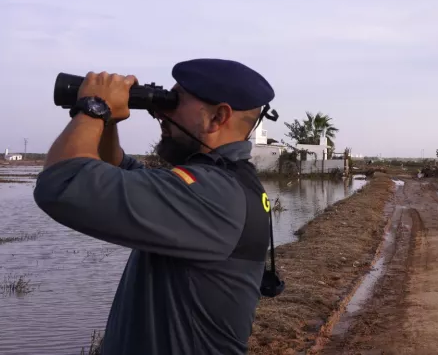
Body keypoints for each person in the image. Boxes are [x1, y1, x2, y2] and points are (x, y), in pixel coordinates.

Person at [34, 58, 278, 354]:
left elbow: (62, 183)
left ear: (217, 118)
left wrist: (93, 107)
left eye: (174, 101)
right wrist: (108, 122)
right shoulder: (224, 183)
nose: (159, 112)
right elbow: (115, 169)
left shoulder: (215, 194)